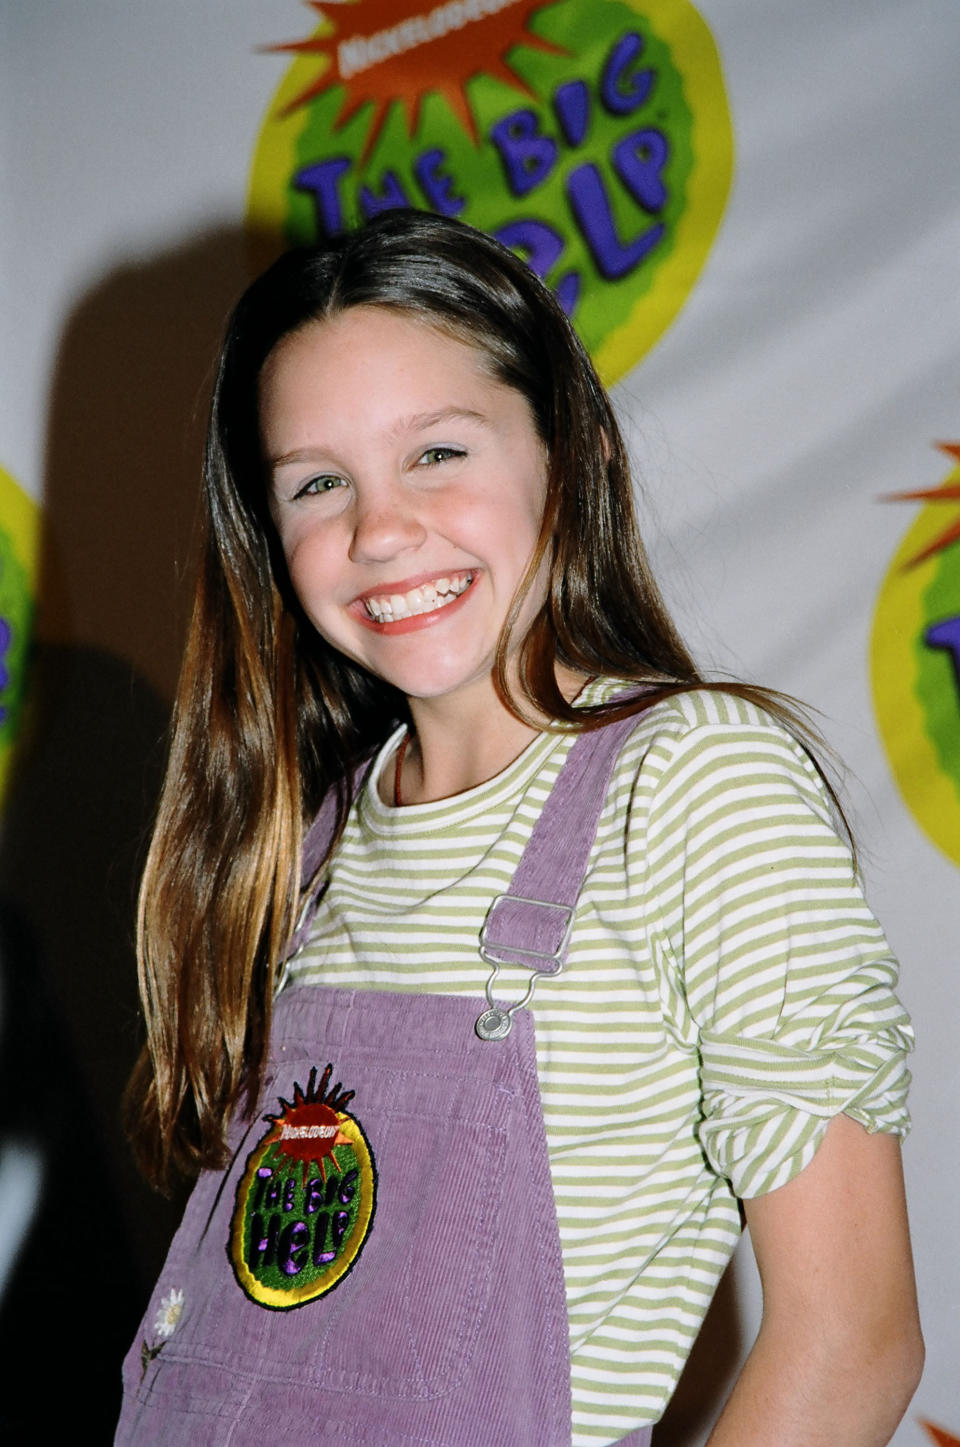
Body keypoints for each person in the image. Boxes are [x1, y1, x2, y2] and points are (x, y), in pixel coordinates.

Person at [116, 209, 923, 1446]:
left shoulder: (696, 781)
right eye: (318, 482)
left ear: (569, 449)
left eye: (437, 451)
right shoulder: (308, 847)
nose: (378, 529)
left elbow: (852, 1344)